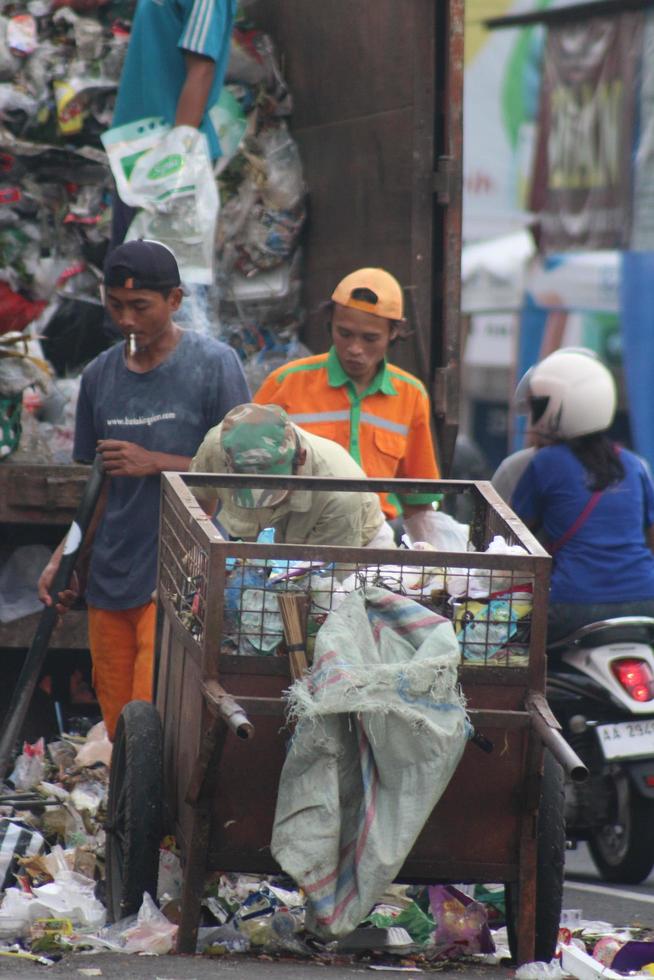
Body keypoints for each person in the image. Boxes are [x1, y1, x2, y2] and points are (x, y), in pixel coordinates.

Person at [38, 239, 250, 739]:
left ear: (175, 300)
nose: (127, 320)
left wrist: (155, 463)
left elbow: (242, 475)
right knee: (118, 727)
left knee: (150, 721)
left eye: (141, 307)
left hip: (182, 578)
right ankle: (127, 818)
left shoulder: (214, 365)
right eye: (116, 307)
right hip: (113, 577)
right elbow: (99, 491)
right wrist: (64, 561)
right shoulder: (98, 376)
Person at [252, 268, 442, 543]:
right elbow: (246, 471)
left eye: (370, 338)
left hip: (374, 542)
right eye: (345, 333)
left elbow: (419, 499)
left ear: (393, 332)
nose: (354, 348)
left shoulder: (411, 396)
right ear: (330, 323)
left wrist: (435, 567)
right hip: (294, 541)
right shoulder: (285, 383)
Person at [510, 347, 654, 643]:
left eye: (538, 406)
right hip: (646, 600)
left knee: (512, 651)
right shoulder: (632, 464)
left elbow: (514, 539)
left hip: (573, 606)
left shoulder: (544, 463)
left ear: (557, 406)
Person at [109, 0, 236, 248]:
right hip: (134, 150)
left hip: (164, 155)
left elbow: (201, 68)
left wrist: (177, 163)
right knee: (123, 271)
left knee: (151, 276)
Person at [189, 403, 391, 548]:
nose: (264, 503)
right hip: (263, 555)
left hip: (356, 552)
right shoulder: (218, 448)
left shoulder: (340, 492)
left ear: (300, 459)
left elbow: (328, 584)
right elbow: (198, 498)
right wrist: (198, 552)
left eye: (271, 487)